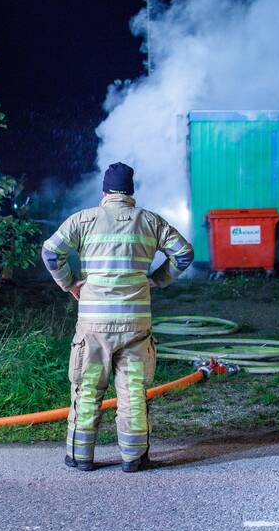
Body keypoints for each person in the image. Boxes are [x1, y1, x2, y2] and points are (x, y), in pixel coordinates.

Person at [41, 163, 193, 472]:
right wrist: (158, 279)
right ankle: (134, 457)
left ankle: (80, 456)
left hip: (94, 327)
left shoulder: (83, 219)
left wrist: (70, 283)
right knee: (133, 391)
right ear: (131, 193)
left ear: (105, 192)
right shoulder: (151, 221)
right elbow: (184, 254)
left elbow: (50, 252)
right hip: (136, 325)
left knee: (86, 389)